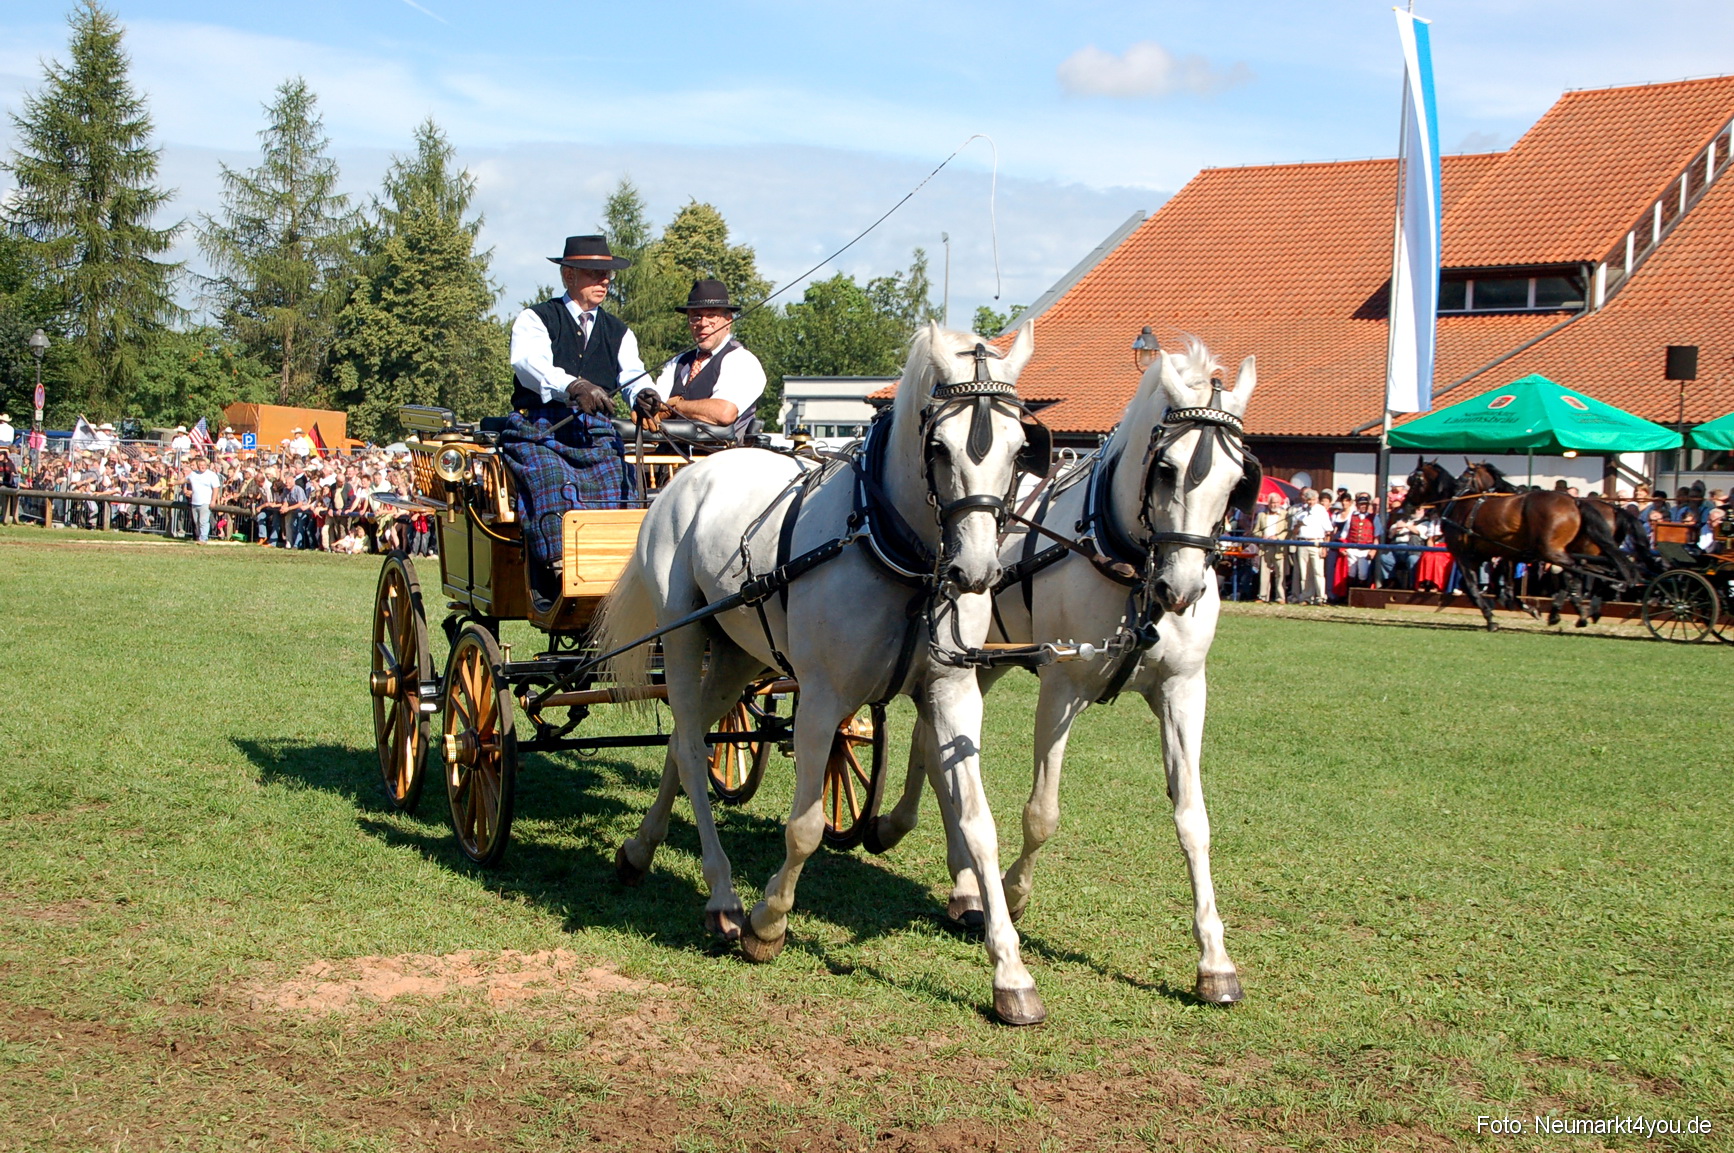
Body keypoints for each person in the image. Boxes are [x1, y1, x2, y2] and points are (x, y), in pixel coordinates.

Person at [503, 234, 644, 610]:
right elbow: (529, 364)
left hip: (594, 431)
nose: (605, 281)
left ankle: (617, 570)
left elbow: (633, 373)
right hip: (540, 427)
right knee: (552, 478)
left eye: (608, 274)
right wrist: (573, 385)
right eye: (594, 273)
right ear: (568, 275)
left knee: (622, 483)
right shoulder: (536, 319)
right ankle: (560, 567)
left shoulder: (619, 331)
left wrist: (645, 394)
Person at [634, 279, 767, 441]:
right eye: (696, 316)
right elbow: (655, 405)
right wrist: (646, 407)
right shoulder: (677, 362)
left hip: (722, 455)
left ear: (728, 320)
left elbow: (724, 413)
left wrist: (675, 405)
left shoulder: (742, 361)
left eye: (711, 316)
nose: (703, 323)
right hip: (668, 453)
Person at [1289, 488, 1331, 604]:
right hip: (1302, 542)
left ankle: (1321, 597)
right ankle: (1307, 597)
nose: (1311, 502)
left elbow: (1328, 530)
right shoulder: (1300, 511)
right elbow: (1294, 531)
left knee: (1318, 572)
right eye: (1309, 500)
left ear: (1316, 499)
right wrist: (1298, 525)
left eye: (1313, 500)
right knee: (1304, 572)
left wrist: (1324, 547)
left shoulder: (1321, 510)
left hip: (1317, 542)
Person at [1250, 492, 1290, 603]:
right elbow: (1255, 531)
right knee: (1264, 572)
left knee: (1280, 573)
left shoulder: (1285, 515)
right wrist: (1262, 536)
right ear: (1268, 503)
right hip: (1265, 547)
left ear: (1280, 503)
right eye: (1272, 503)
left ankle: (1280, 597)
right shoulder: (1262, 515)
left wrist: (1278, 537)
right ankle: (1263, 596)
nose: (1274, 505)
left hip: (1279, 548)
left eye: (1276, 502)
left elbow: (1288, 531)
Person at [184, 456, 222, 544]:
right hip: (195, 502)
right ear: (198, 466)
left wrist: (213, 500)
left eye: (204, 465)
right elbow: (184, 480)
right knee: (196, 521)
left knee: (203, 521)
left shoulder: (211, 475)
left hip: (205, 502)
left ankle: (203, 539)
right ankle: (200, 537)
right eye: (201, 465)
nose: (203, 467)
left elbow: (216, 488)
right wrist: (174, 483)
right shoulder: (193, 474)